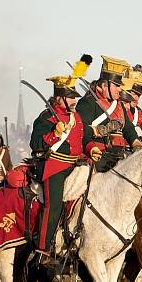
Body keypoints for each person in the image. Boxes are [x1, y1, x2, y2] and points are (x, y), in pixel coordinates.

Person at [30, 60, 103, 262]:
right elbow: (35, 143)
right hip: (54, 166)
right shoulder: (46, 117)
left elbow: (85, 139)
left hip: (76, 165)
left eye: (74, 98)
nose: (74, 101)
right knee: (53, 206)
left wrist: (92, 148)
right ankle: (43, 249)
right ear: (58, 98)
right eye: (70, 98)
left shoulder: (76, 117)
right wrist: (53, 133)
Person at [76, 55, 141, 159]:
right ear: (104, 86)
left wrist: (136, 142)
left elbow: (128, 127)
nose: (120, 89)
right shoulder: (87, 103)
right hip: (95, 155)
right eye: (116, 85)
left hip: (118, 155)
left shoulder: (118, 104)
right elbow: (79, 130)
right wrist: (100, 130)